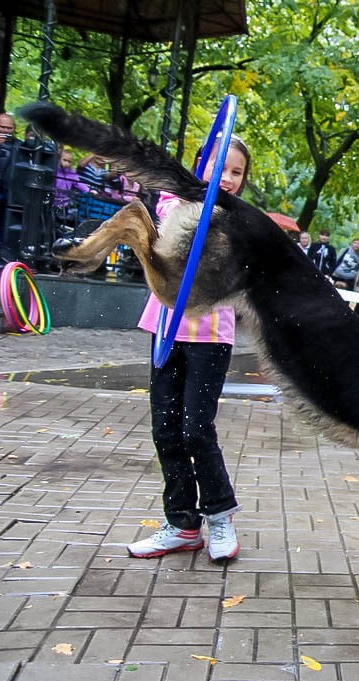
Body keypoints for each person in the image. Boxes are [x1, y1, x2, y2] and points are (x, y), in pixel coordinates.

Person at [128, 134, 253, 561]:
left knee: (196, 429)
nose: (229, 178)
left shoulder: (235, 218)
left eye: (237, 172)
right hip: (165, 325)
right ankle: (182, 523)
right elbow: (169, 227)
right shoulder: (172, 201)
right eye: (221, 167)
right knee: (165, 429)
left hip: (210, 334)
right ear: (200, 165)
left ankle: (219, 515)